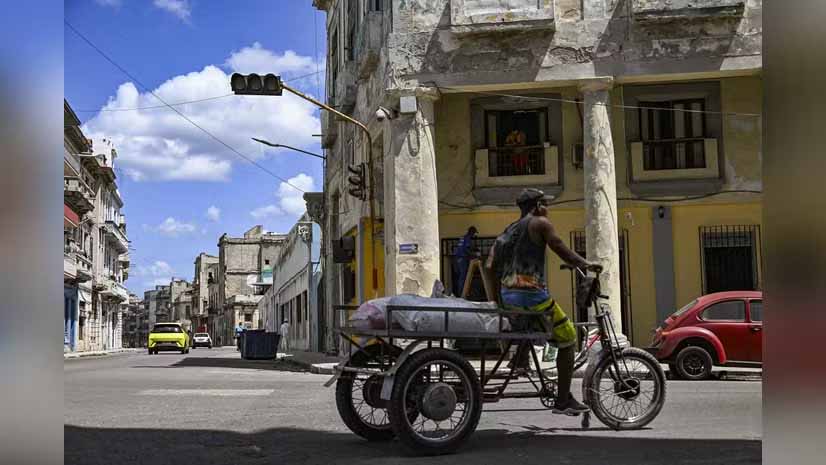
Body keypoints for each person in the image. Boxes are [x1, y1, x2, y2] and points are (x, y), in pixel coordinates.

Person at [483, 188, 602, 416]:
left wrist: (496, 300)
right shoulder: (540, 223)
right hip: (532, 297)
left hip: (509, 298)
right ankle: (563, 400)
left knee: (533, 328)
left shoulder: (507, 232)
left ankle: (521, 359)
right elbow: (560, 247)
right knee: (568, 337)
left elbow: (488, 267)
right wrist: (586, 264)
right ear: (538, 206)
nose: (547, 209)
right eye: (545, 204)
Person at [453, 226, 478, 297]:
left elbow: (462, 247)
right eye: (474, 233)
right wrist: (474, 255)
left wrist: (473, 249)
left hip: (457, 259)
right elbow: (466, 250)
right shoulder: (468, 238)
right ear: (472, 232)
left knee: (459, 277)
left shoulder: (462, 238)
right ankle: (462, 294)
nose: (474, 235)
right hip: (462, 259)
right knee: (463, 277)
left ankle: (459, 293)